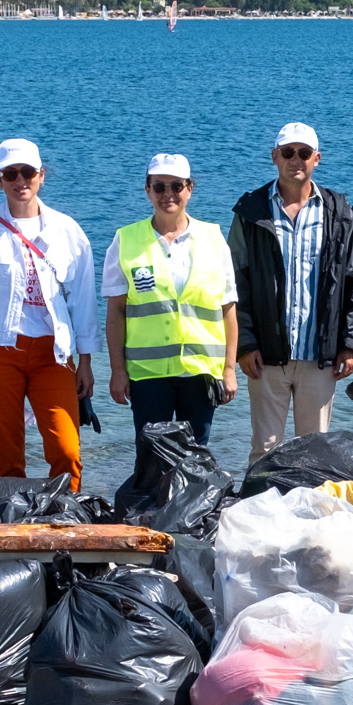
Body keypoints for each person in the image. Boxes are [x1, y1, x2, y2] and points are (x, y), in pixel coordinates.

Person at [0, 139, 98, 488]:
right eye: (10, 174)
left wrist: (86, 362)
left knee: (66, 450)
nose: (19, 181)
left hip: (52, 354)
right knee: (7, 455)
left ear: (41, 176)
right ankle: (13, 524)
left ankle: (66, 517)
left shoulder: (69, 231)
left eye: (27, 173)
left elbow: (83, 301)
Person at [230, 123, 353, 456]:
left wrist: (350, 345)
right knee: (264, 449)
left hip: (319, 357)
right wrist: (244, 345)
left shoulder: (338, 211)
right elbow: (234, 284)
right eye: (288, 153)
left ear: (316, 159)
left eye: (304, 153)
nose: (296, 160)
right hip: (266, 356)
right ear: (274, 156)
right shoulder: (251, 211)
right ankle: (259, 509)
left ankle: (311, 509)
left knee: (315, 450)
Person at [106, 154, 240, 491]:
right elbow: (116, 313)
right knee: (152, 460)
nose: (169, 194)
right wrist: (118, 371)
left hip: (200, 372)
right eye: (160, 186)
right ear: (148, 190)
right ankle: (146, 525)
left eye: (177, 186)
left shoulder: (213, 238)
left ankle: (194, 529)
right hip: (148, 375)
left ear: (190, 189)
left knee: (197, 460)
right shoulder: (126, 240)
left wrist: (229, 369)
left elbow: (228, 309)